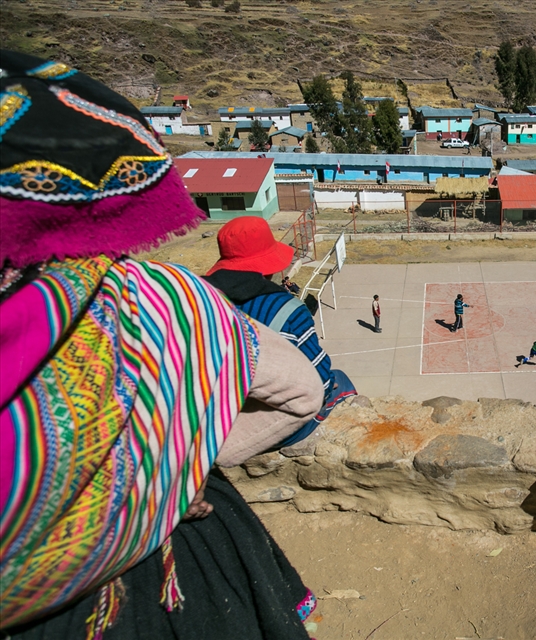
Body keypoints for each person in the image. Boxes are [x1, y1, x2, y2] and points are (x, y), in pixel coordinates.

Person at [0, 50, 322, 638]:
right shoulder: (166, 303)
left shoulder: (202, 287)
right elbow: (305, 386)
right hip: (153, 588)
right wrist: (180, 459)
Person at [205, 216, 357, 441]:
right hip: (262, 429)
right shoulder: (286, 310)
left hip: (211, 418)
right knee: (339, 381)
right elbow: (320, 382)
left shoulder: (195, 299)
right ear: (267, 265)